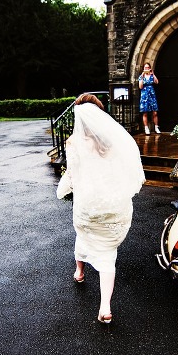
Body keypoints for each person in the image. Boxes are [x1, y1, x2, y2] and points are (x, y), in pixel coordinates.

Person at [56, 93, 145, 325]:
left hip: (87, 210)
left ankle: (80, 272)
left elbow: (73, 175)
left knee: (83, 235)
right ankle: (105, 307)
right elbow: (123, 170)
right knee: (107, 255)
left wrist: (62, 190)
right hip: (114, 209)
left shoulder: (73, 144)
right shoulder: (112, 141)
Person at [138, 60, 161, 136]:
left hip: (151, 95)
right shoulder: (141, 77)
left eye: (148, 67)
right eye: (145, 67)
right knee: (145, 113)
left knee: (155, 112)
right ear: (143, 68)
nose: (147, 68)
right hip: (144, 95)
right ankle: (146, 128)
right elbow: (140, 86)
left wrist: (153, 74)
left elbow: (157, 82)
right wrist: (142, 76)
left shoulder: (151, 75)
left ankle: (156, 127)